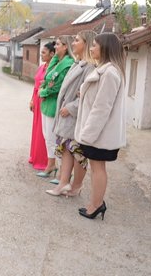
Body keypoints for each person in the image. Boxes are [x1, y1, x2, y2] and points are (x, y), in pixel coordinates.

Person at [75, 32, 127, 220]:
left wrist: (87, 134)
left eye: (94, 45)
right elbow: (98, 100)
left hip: (99, 133)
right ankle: (95, 203)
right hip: (97, 132)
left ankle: (96, 205)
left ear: (105, 48)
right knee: (96, 167)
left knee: (98, 168)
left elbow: (102, 107)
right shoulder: (105, 69)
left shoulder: (110, 72)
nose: (91, 48)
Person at [46, 31, 96, 197]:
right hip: (68, 115)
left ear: (86, 44)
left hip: (77, 116)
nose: (73, 43)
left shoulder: (90, 67)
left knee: (77, 153)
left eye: (76, 40)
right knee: (66, 149)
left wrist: (72, 107)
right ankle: (63, 184)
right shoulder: (78, 63)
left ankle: (76, 186)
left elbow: (88, 94)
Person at [36, 35, 75, 183]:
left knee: (55, 139)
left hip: (54, 104)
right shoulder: (57, 61)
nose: (55, 46)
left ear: (66, 47)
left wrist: (43, 92)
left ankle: (62, 171)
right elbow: (47, 78)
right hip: (47, 104)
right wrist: (45, 87)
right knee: (48, 137)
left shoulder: (67, 64)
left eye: (58, 44)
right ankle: (50, 165)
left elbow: (57, 86)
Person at [29, 41, 55, 170]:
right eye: (41, 53)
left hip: (45, 101)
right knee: (36, 129)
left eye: (43, 53)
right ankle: (34, 156)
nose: (41, 55)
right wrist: (32, 100)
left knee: (44, 132)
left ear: (52, 54)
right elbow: (35, 86)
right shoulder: (41, 67)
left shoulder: (53, 69)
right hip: (37, 100)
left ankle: (44, 161)